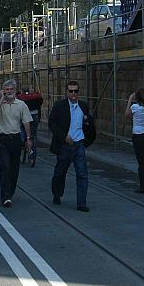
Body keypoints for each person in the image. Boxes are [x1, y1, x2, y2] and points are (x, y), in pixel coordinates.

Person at [48, 81, 96, 212]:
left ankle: (82, 203)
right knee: (60, 172)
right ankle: (57, 193)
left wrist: (87, 122)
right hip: (65, 145)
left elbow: (89, 123)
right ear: (67, 92)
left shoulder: (83, 106)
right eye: (71, 91)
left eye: (76, 91)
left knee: (82, 174)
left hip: (79, 144)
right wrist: (64, 136)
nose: (74, 94)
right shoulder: (60, 106)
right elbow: (51, 123)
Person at [0, 80, 33, 207]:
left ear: (15, 91)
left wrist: (29, 138)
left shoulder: (21, 105)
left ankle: (10, 191)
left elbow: (26, 122)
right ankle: (5, 196)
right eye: (6, 89)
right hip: (2, 139)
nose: (9, 91)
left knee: (14, 168)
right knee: (5, 166)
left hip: (15, 139)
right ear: (3, 91)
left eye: (11, 89)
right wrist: (1, 100)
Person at [126, 88, 144, 194]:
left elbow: (127, 114)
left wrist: (130, 99)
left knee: (141, 161)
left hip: (138, 135)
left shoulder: (135, 107)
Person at [18, 87, 44, 167]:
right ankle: (32, 156)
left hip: (25, 118)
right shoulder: (35, 97)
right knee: (33, 136)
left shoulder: (20, 98)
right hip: (35, 117)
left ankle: (20, 151)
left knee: (22, 135)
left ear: (22, 91)